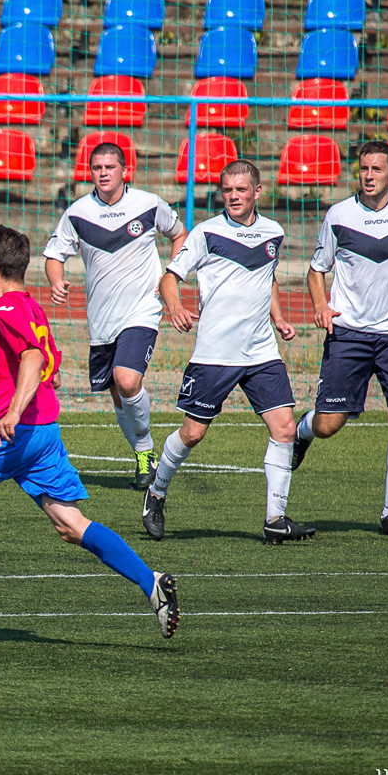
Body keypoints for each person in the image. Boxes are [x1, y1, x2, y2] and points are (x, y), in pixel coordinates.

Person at [0, 226, 179, 638]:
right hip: (44, 432)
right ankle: (151, 581)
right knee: (71, 524)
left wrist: (11, 412)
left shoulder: (3, 309)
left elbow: (33, 358)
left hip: (14, 435)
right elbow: (41, 366)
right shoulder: (31, 307)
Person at [141, 160, 314, 545]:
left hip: (261, 352)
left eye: (241, 190)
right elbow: (169, 278)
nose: (234, 197)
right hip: (215, 354)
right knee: (192, 433)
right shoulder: (206, 233)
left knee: (285, 429)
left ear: (257, 192)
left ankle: (275, 519)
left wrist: (279, 318)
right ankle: (157, 492)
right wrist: (175, 307)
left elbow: (267, 278)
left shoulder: (274, 232)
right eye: (228, 190)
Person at [291, 140, 388, 537]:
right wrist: (320, 305)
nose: (368, 176)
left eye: (376, 169)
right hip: (348, 333)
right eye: (363, 168)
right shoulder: (339, 215)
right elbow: (316, 270)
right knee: (329, 425)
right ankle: (301, 432)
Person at [44, 142, 187, 488]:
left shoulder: (148, 204)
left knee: (127, 380)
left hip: (142, 310)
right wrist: (56, 280)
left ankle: (146, 448)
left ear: (125, 171)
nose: (103, 173)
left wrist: (171, 275)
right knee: (117, 394)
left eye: (110, 167)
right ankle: (143, 455)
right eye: (97, 168)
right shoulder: (78, 212)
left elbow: (179, 233)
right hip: (101, 320)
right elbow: (54, 254)